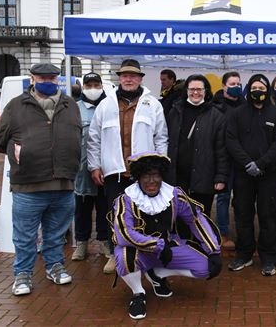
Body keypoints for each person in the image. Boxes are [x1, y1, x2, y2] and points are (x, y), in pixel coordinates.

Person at [0, 63, 82, 296]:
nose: (47, 81)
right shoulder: (16, 106)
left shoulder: (70, 104)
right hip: (28, 185)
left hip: (63, 183)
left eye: (52, 78)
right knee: (25, 236)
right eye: (42, 77)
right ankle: (22, 274)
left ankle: (55, 267)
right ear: (33, 79)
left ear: (57, 80)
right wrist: (23, 152)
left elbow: (78, 136)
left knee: (55, 234)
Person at [110, 152, 222, 320]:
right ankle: (138, 293)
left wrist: (213, 250)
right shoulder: (126, 200)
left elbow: (195, 219)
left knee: (207, 268)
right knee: (125, 256)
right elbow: (123, 234)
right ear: (138, 177)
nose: (151, 181)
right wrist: (155, 244)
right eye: (146, 176)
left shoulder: (174, 195)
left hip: (168, 248)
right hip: (140, 251)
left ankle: (157, 274)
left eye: (155, 175)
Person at [87, 59, 168, 274]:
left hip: (144, 173)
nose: (128, 79)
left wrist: (159, 167)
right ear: (119, 78)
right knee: (117, 215)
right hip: (114, 172)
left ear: (140, 78)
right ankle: (117, 255)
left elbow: (161, 137)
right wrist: (94, 166)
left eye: (133, 75)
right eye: (124, 75)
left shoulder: (153, 104)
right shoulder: (105, 105)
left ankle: (145, 256)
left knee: (146, 215)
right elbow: (94, 138)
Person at [226, 74, 276, 276]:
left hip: (268, 174)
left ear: (267, 90)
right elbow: (231, 140)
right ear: (248, 89)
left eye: (261, 88)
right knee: (243, 215)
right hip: (244, 174)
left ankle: (268, 258)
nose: (257, 92)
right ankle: (244, 255)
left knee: (267, 216)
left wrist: (261, 163)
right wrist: (247, 163)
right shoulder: (237, 113)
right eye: (254, 88)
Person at [166, 74, 228, 217]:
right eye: (192, 89)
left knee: (200, 218)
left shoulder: (216, 115)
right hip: (178, 176)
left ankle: (199, 240)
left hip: (204, 176)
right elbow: (167, 140)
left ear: (206, 91)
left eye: (199, 89)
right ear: (186, 90)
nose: (195, 92)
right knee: (179, 217)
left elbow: (221, 149)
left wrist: (220, 177)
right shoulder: (175, 111)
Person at [71, 72, 110, 262]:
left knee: (105, 208)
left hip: (106, 168)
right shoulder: (74, 108)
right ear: (83, 87)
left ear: (102, 86)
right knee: (82, 208)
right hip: (81, 169)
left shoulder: (110, 106)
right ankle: (81, 243)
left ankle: (104, 242)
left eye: (96, 84)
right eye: (89, 85)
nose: (93, 88)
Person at [212, 71, 245, 250]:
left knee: (241, 199)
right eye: (232, 84)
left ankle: (243, 233)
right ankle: (223, 234)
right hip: (222, 160)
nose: (236, 87)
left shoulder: (245, 106)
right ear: (224, 86)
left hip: (241, 161)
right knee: (223, 198)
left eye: (238, 84)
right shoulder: (215, 107)